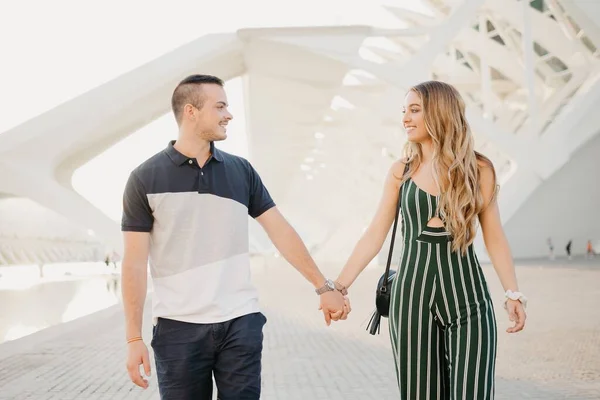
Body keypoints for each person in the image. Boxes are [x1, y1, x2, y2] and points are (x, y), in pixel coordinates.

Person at [120, 74, 349, 399]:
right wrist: (133, 339)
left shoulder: (241, 171)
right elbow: (133, 263)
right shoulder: (144, 178)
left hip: (239, 322)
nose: (229, 114)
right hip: (178, 328)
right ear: (191, 111)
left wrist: (322, 286)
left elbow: (280, 231)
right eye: (220, 106)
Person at [335, 81, 527, 399]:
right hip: (412, 301)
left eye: (414, 110)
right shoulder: (401, 171)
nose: (406, 119)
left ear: (438, 112)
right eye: (404, 111)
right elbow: (375, 234)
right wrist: (339, 285)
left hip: (469, 300)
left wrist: (513, 293)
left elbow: (495, 237)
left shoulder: (479, 170)